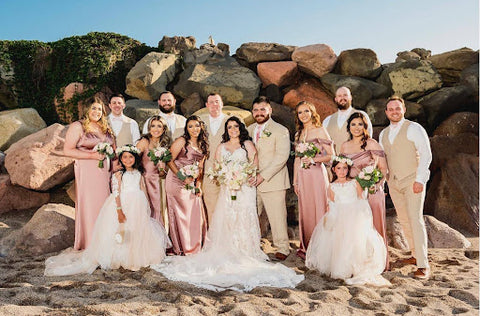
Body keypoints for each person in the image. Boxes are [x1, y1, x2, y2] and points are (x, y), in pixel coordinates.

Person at [152, 117, 304, 292]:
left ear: (240, 128)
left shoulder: (247, 144)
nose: (233, 129)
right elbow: (217, 166)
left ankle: (246, 249)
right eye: (229, 127)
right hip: (227, 188)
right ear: (227, 130)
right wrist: (224, 176)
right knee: (227, 217)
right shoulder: (221, 147)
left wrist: (245, 176)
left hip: (244, 189)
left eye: (235, 126)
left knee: (243, 217)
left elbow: (254, 164)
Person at [45, 145, 170, 276]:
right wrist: (119, 211)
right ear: (121, 159)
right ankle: (121, 256)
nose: (128, 160)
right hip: (124, 204)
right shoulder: (118, 175)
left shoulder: (139, 174)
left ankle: (136, 256)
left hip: (137, 205)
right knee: (123, 230)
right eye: (124, 157)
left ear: (135, 158)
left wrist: (146, 206)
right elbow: (116, 193)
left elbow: (143, 190)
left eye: (130, 157)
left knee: (137, 230)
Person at [306, 156, 390, 286]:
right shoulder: (331, 187)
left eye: (345, 168)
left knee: (354, 241)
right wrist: (331, 219)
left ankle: (355, 267)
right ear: (334, 170)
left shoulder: (354, 183)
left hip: (354, 215)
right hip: (339, 215)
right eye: (339, 168)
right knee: (340, 242)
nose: (342, 171)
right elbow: (332, 204)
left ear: (348, 169)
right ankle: (342, 267)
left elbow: (362, 199)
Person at [379, 96, 432, 279]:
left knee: (415, 220)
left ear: (403, 110)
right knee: (403, 220)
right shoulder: (383, 134)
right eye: (391, 109)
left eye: (397, 108)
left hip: (412, 181)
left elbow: (426, 155)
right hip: (394, 183)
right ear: (386, 112)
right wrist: (384, 180)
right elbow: (383, 159)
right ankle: (415, 254)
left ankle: (423, 265)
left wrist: (420, 180)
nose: (394, 111)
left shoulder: (414, 129)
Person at [63, 97, 115, 250]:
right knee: (90, 204)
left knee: (105, 204)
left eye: (99, 109)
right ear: (86, 109)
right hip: (87, 171)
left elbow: (113, 148)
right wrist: (92, 156)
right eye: (93, 108)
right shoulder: (78, 126)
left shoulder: (105, 127)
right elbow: (67, 150)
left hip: (105, 171)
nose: (97, 112)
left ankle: (105, 241)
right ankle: (91, 242)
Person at [340, 112, 390, 270]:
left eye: (360, 124)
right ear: (349, 127)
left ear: (365, 126)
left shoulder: (372, 144)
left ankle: (379, 262)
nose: (356, 128)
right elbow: (341, 170)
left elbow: (383, 169)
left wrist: (376, 183)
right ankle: (358, 263)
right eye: (353, 124)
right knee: (354, 228)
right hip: (352, 192)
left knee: (374, 224)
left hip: (372, 190)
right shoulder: (344, 146)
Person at [247, 96, 290, 260]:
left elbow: (281, 156)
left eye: (262, 109)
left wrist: (262, 176)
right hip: (251, 182)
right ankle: (251, 244)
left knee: (277, 216)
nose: (259, 113)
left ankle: (282, 248)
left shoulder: (281, 130)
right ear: (252, 112)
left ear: (270, 110)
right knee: (250, 215)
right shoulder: (249, 130)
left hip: (273, 181)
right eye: (256, 110)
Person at [293, 101, 334, 260]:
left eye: (306, 111)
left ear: (312, 112)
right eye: (300, 112)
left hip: (317, 175)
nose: (303, 115)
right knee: (306, 210)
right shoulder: (299, 134)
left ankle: (322, 247)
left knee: (319, 208)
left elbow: (331, 155)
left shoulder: (320, 130)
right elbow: (297, 158)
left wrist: (315, 159)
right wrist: (295, 181)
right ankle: (307, 246)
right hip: (303, 177)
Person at [165, 115, 208, 255]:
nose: (194, 129)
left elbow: (200, 168)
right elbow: (169, 160)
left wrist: (198, 185)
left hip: (192, 182)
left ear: (201, 127)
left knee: (194, 211)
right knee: (179, 213)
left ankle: (194, 245)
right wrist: (181, 176)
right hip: (176, 181)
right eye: (190, 126)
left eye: (196, 125)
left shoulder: (203, 145)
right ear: (186, 129)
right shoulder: (182, 141)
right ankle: (181, 247)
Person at [199, 93, 231, 224]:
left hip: (229, 173)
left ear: (222, 104)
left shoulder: (232, 121)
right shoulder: (200, 121)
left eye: (217, 101)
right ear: (206, 105)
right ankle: (213, 239)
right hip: (208, 173)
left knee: (229, 207)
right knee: (211, 207)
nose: (214, 105)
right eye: (211, 102)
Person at [136, 116, 171, 225]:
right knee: (150, 208)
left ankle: (161, 234)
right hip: (146, 181)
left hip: (161, 181)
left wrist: (163, 170)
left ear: (164, 129)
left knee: (162, 208)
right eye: (153, 126)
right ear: (149, 128)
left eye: (159, 126)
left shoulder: (165, 144)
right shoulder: (144, 142)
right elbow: (133, 159)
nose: (156, 129)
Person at [323, 86, 373, 153]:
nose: (342, 98)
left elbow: (368, 137)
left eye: (345, 95)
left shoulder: (361, 115)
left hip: (357, 160)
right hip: (334, 162)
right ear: (336, 99)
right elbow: (324, 143)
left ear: (351, 97)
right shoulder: (327, 120)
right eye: (339, 96)